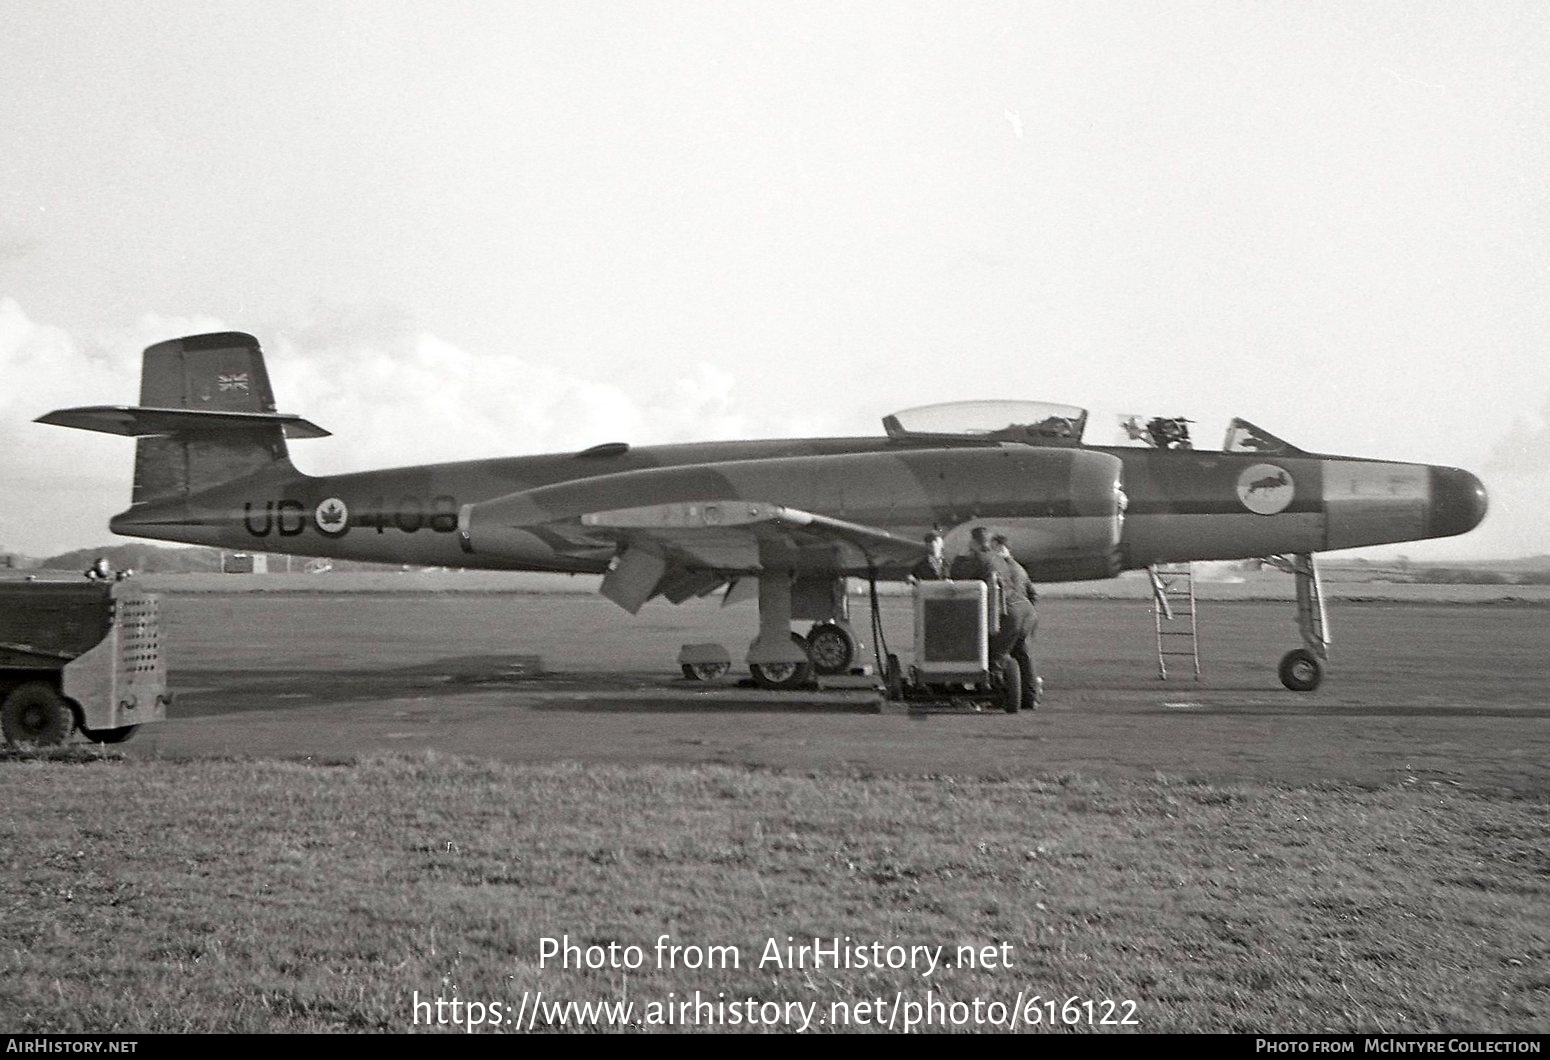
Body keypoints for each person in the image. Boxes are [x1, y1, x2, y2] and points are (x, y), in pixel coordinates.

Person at [953, 527, 1040, 711]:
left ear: (974, 542)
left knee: (996, 656)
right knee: (1022, 655)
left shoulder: (979, 558)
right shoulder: (999, 559)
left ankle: (998, 696)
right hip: (1025, 610)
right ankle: (1029, 698)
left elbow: (956, 575)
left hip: (1008, 612)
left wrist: (961, 556)